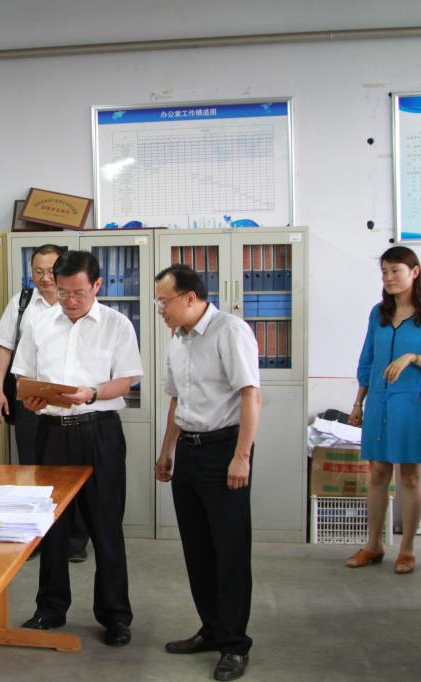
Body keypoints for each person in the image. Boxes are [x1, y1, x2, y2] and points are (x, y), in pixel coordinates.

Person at [11, 250, 142, 648]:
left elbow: (127, 380)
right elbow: (23, 377)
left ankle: (115, 615)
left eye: (78, 293)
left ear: (97, 285)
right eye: (63, 291)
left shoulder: (117, 324)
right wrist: (31, 398)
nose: (69, 300)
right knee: (52, 524)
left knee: (106, 525)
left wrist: (93, 393)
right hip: (51, 433)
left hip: (99, 432)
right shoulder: (39, 322)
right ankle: (50, 608)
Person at [154, 264, 260, 682]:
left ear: (191, 297)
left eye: (165, 301)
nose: (160, 309)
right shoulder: (177, 340)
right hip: (189, 450)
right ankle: (212, 628)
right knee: (197, 549)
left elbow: (250, 395)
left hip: (224, 450)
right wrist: (167, 450)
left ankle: (234, 644)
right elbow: (176, 401)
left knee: (230, 551)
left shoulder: (229, 331)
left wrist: (242, 457)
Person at [345, 246, 421, 575]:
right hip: (379, 402)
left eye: (395, 271)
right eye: (384, 272)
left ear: (414, 272)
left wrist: (412, 357)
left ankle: (408, 549)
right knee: (377, 473)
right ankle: (373, 545)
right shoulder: (379, 313)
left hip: (415, 404)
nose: (388, 278)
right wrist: (358, 403)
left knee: (411, 475)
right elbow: (367, 360)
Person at [0, 243, 90, 562]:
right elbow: (4, 348)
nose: (45, 278)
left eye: (51, 271)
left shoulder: (75, 302)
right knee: (32, 469)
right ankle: (38, 537)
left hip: (71, 404)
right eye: (38, 271)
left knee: (71, 471)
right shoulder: (22, 303)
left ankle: (75, 539)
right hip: (31, 401)